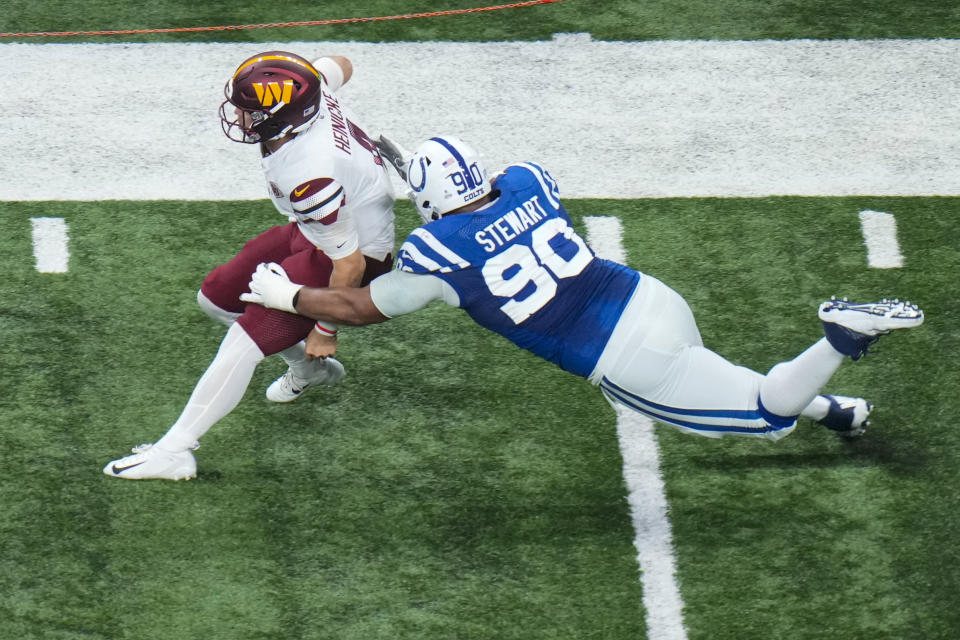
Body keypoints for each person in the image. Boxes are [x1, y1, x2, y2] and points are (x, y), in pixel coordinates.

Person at [240, 134, 925, 442]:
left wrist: (288, 299)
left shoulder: (437, 250)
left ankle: (840, 335)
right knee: (717, 376)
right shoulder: (527, 180)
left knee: (764, 413)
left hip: (621, 357)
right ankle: (836, 411)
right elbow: (491, 196)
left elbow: (361, 307)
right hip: (652, 301)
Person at [103, 51, 395, 480]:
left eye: (249, 109)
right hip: (321, 233)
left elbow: (348, 264)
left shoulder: (310, 173)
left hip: (354, 258)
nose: (238, 114)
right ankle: (308, 370)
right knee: (217, 299)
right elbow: (341, 63)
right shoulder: (310, 95)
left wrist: (325, 329)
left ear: (283, 116)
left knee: (244, 340)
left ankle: (176, 450)